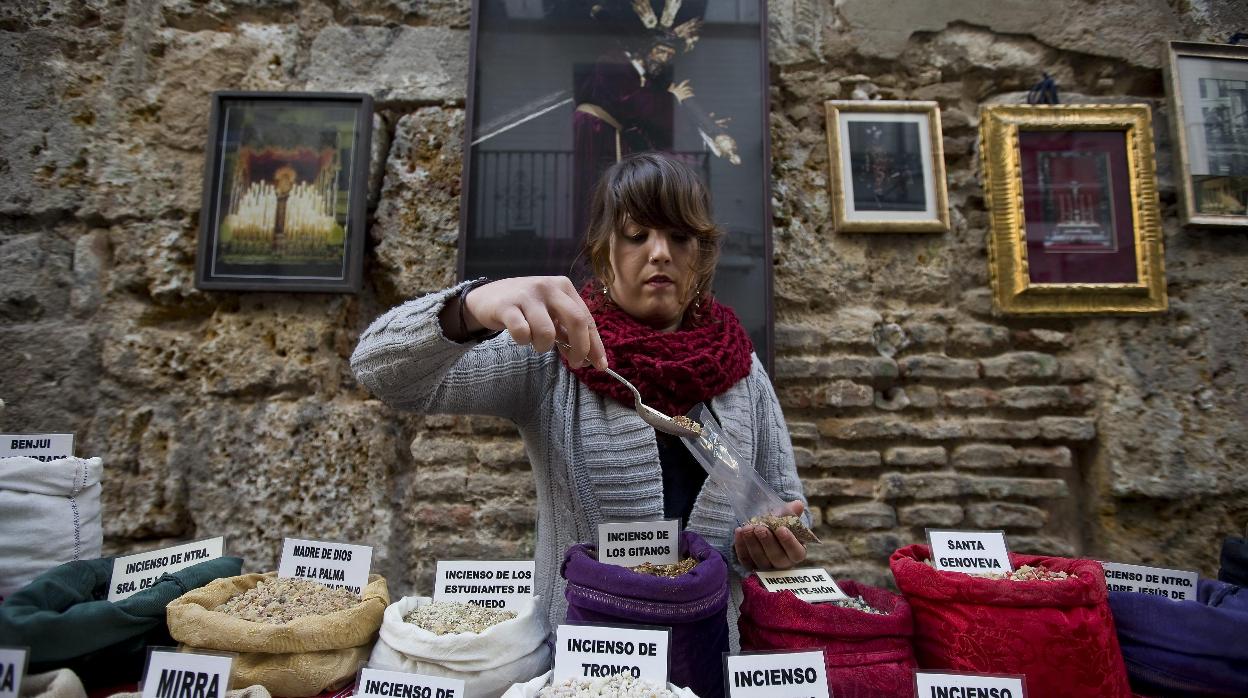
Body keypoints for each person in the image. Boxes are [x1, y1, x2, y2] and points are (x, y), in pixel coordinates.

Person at [350, 151, 809, 641]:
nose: (660, 253)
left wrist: (773, 541)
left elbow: (786, 501)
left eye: (680, 236)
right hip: (584, 658)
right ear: (603, 253)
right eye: (637, 236)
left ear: (702, 253)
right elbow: (381, 372)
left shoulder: (740, 365)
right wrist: (469, 308)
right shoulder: (556, 350)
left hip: (714, 654)